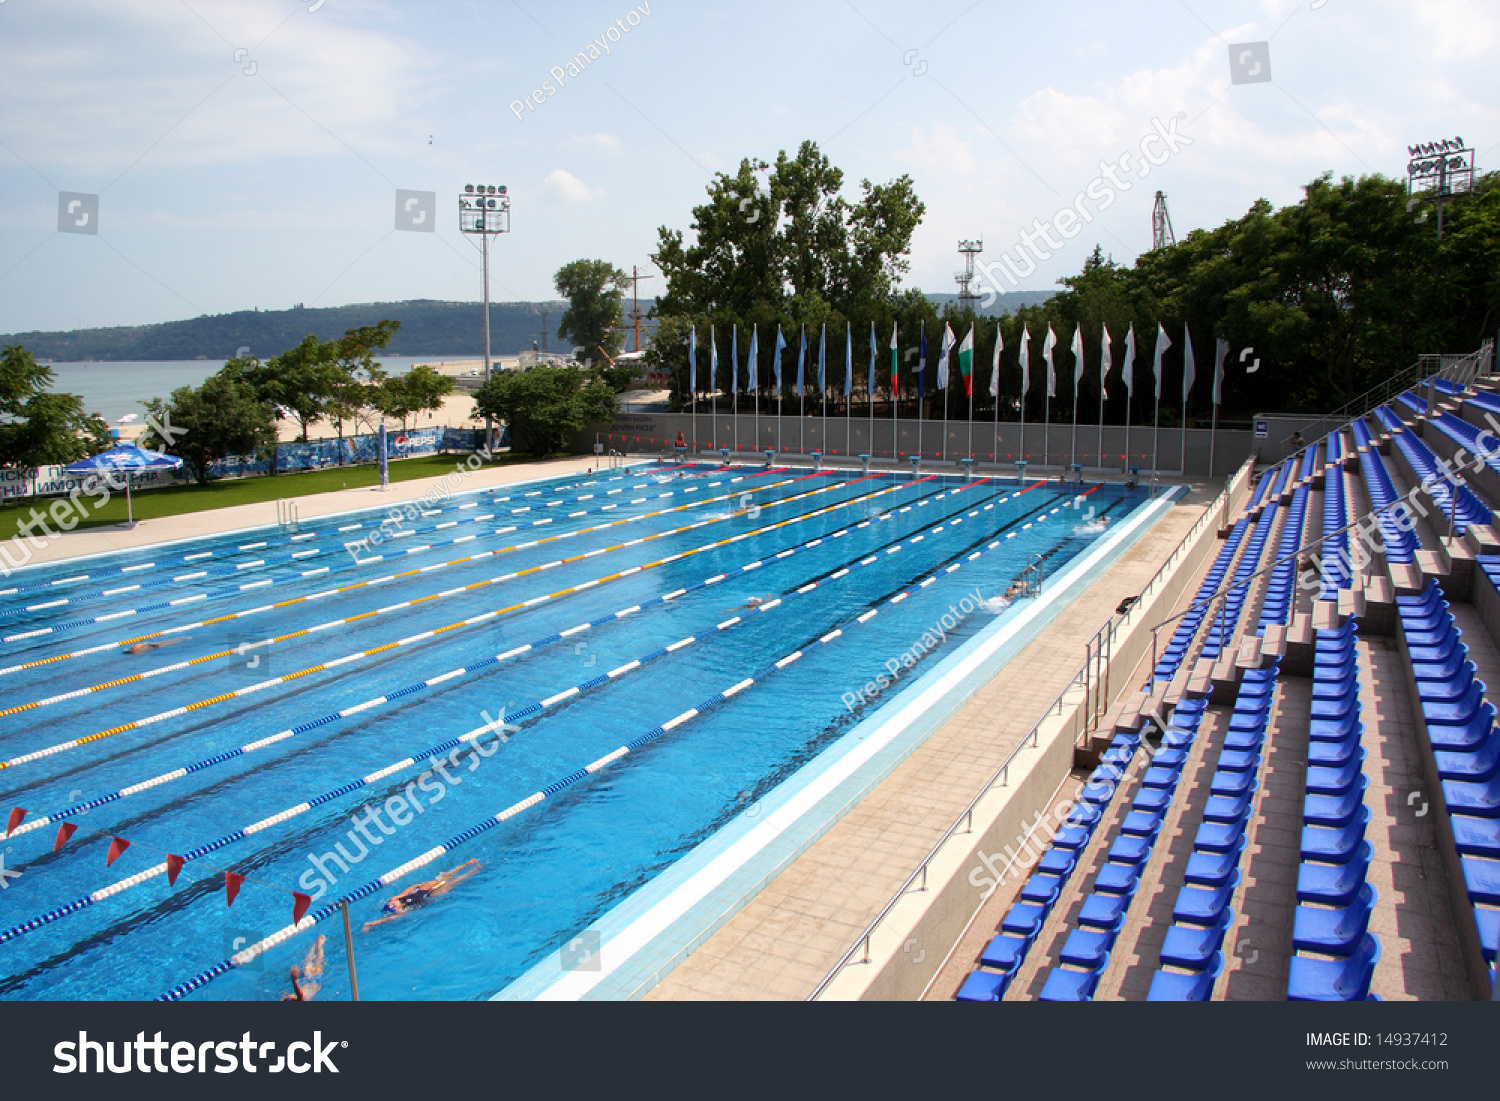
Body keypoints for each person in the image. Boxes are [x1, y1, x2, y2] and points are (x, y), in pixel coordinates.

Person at [363, 860, 481, 931]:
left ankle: (467, 864)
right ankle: (473, 870)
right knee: (453, 883)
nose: (393, 903)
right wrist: (370, 924)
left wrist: (417, 886)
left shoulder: (395, 898)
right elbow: (389, 919)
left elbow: (406, 891)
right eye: (393, 905)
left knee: (446, 876)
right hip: (430, 896)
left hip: (422, 889)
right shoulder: (403, 911)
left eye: (392, 903)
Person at [279, 935, 327, 1001]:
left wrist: (285, 995)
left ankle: (314, 947)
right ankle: (320, 946)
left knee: (307, 965)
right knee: (318, 962)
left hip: (304, 983)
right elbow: (300, 996)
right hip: (314, 983)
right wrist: (293, 980)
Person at [123, 636, 190, 655]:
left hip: (154, 648)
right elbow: (144, 643)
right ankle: (183, 638)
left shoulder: (137, 653)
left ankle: (184, 638)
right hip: (152, 646)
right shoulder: (134, 648)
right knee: (169, 641)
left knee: (170, 643)